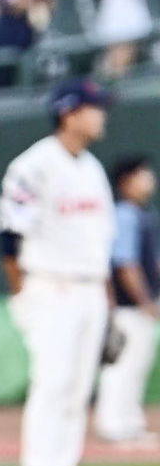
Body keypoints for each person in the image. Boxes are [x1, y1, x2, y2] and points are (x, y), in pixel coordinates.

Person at [0, 79, 115, 466]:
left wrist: (109, 303)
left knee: (79, 388)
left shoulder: (92, 169)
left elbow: (101, 244)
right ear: (70, 112)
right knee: (53, 383)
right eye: (94, 107)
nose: (101, 115)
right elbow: (8, 233)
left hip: (89, 288)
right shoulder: (35, 164)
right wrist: (22, 293)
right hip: (50, 284)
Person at [94, 155, 160, 447]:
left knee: (138, 364)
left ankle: (130, 423)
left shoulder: (145, 215)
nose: (150, 179)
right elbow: (124, 263)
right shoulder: (123, 214)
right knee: (121, 365)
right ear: (127, 181)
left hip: (141, 307)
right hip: (126, 306)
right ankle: (112, 424)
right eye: (143, 174)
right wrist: (144, 299)